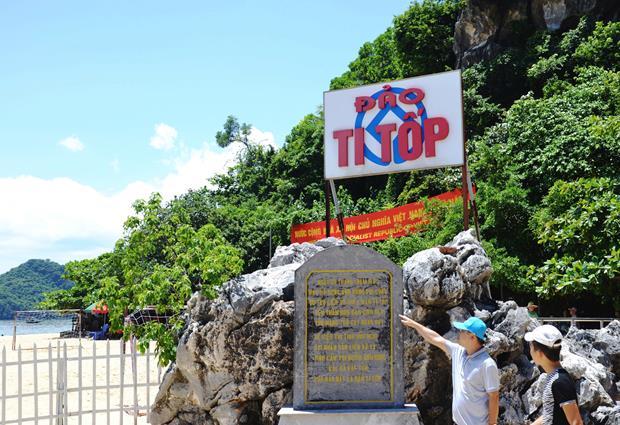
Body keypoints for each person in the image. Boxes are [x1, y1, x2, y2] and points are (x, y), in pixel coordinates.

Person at [399, 315, 499, 425]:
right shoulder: (458, 352)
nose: (458, 333)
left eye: (462, 330)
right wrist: (414, 324)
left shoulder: (487, 364)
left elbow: (494, 396)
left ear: (472, 337)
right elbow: (435, 338)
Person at [525, 324, 583, 425]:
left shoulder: (559, 381)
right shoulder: (555, 378)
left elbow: (576, 422)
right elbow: (550, 414)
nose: (530, 351)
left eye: (531, 347)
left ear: (539, 352)